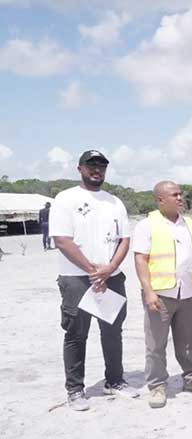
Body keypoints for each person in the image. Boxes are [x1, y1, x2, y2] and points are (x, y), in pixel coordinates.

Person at [49, 150, 138, 411]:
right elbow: (62, 240)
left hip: (110, 276)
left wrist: (109, 269)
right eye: (91, 165)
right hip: (76, 278)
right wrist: (92, 270)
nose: (96, 170)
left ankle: (115, 380)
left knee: (113, 331)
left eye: (101, 166)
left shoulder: (115, 202)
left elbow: (125, 240)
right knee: (76, 334)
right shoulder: (66, 198)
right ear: (80, 169)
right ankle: (75, 389)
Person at [133, 181, 192, 409]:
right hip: (160, 293)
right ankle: (157, 386)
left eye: (181, 194)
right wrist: (148, 291)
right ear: (161, 199)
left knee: (190, 341)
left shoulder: (188, 223)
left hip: (187, 291)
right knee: (156, 344)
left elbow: (190, 254)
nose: (180, 198)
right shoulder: (146, 226)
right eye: (175, 195)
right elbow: (140, 259)